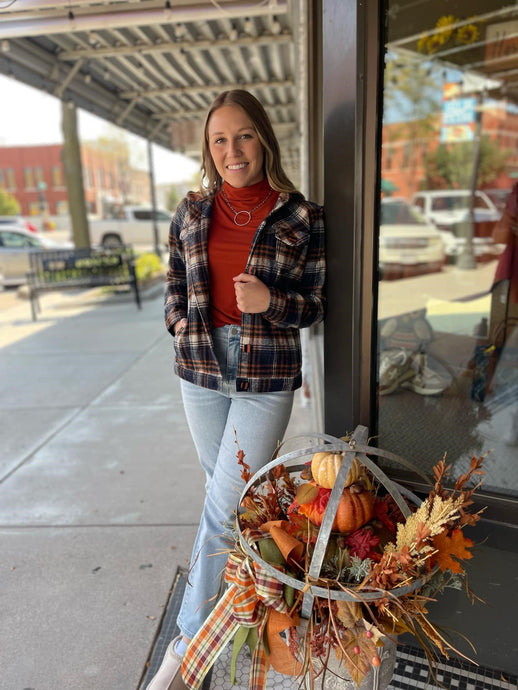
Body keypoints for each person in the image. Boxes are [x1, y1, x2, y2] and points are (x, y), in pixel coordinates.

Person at [146, 89, 326, 690]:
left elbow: (317, 303)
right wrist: (178, 321)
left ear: (264, 139)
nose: (232, 150)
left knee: (224, 508)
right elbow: (174, 274)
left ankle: (185, 652)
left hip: (264, 377)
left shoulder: (301, 216)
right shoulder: (192, 209)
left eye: (243, 135)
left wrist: (270, 301)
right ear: (208, 148)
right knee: (223, 502)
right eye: (219, 140)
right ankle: (244, 602)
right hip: (199, 369)